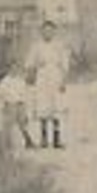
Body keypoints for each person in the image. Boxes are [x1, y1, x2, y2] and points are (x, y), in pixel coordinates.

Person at [26, 19, 71, 149]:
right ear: (41, 32)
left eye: (50, 31)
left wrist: (63, 81)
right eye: (45, 31)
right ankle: (44, 138)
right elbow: (28, 63)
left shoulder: (60, 45)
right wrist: (35, 68)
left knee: (56, 107)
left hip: (56, 78)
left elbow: (65, 65)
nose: (48, 33)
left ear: (54, 32)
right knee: (43, 107)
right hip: (42, 78)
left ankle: (57, 139)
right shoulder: (36, 46)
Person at [0, 68, 35, 149]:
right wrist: (5, 102)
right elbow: (1, 93)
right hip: (10, 104)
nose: (14, 71)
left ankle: (28, 141)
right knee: (8, 126)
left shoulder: (20, 80)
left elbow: (24, 93)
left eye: (16, 69)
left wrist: (24, 105)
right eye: (12, 69)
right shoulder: (5, 81)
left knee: (23, 125)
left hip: (20, 104)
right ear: (9, 70)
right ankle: (7, 144)